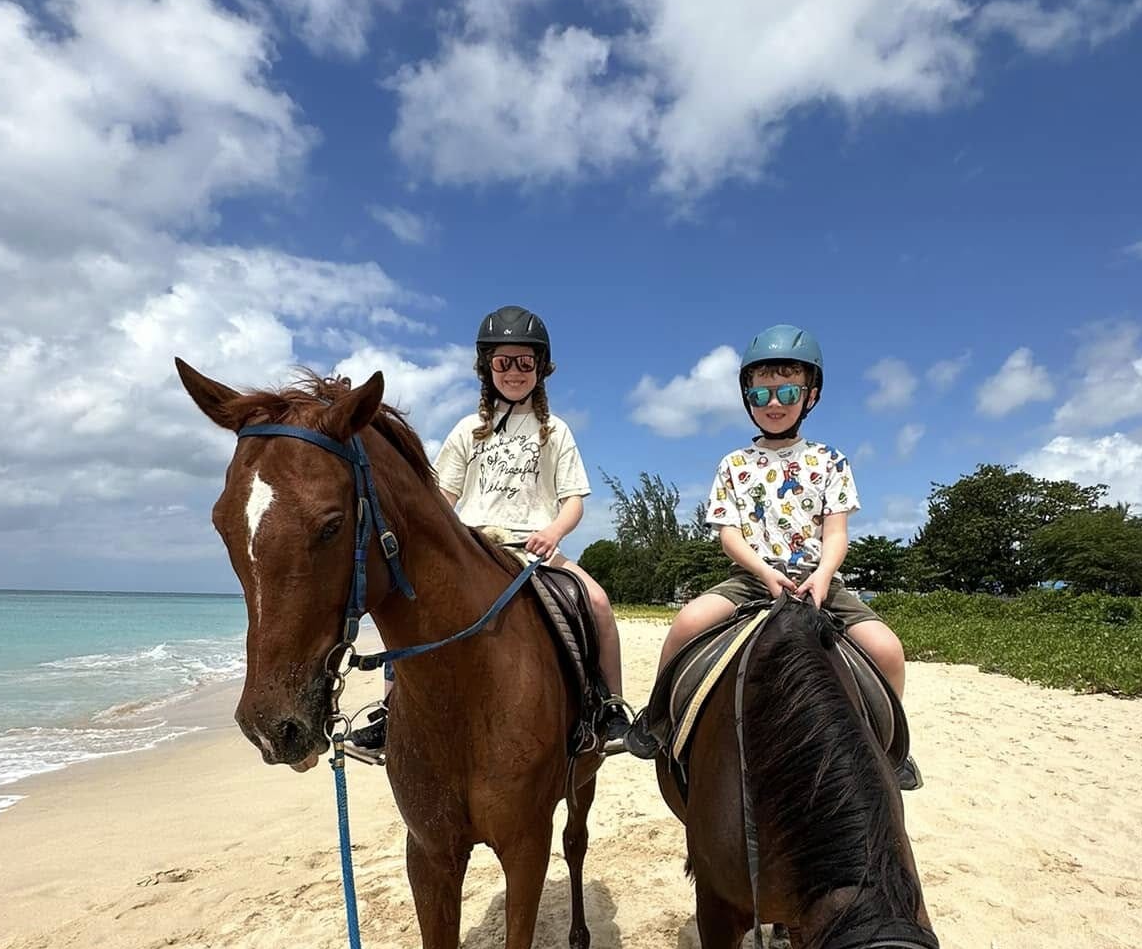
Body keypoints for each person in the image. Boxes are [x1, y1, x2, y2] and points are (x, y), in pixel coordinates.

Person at [625, 324, 919, 785]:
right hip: (751, 578)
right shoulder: (734, 464)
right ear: (748, 399)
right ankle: (657, 717)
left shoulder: (831, 461)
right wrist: (763, 571)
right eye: (761, 395)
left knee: (887, 650)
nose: (774, 404)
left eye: (787, 392)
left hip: (818, 579)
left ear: (810, 395)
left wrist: (823, 575)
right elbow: (730, 535)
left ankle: (890, 750)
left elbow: (836, 533)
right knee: (686, 623)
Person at [349, 306, 630, 758]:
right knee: (410, 605)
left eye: (524, 362)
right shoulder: (468, 430)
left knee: (596, 601)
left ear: (540, 368)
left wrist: (554, 532)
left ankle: (610, 704)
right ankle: (392, 709)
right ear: (488, 368)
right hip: (473, 545)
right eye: (503, 362)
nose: (514, 372)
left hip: (535, 547)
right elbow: (442, 497)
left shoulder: (555, 431)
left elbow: (574, 500)